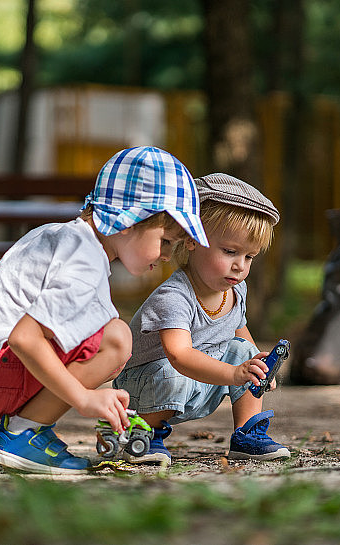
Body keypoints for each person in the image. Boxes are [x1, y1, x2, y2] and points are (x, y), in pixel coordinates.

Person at [0, 146, 209, 475]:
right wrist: (83, 398)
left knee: (100, 327)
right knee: (116, 339)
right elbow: (25, 338)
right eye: (165, 241)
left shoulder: (57, 233)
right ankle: (20, 432)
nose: (167, 256)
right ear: (128, 221)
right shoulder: (86, 262)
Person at [113, 173, 291, 465]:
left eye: (249, 257)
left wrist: (256, 367)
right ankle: (143, 433)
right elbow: (179, 354)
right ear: (193, 239)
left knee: (242, 351)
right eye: (230, 251)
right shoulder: (174, 296)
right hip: (147, 386)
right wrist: (234, 374)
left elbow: (237, 327)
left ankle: (247, 433)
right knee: (174, 373)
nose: (240, 266)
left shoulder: (236, 289)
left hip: (199, 379)